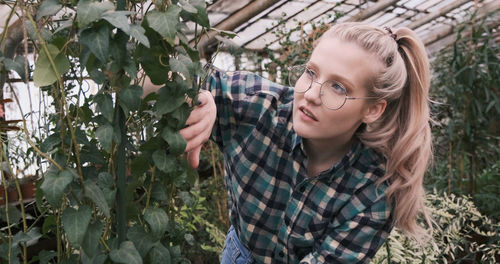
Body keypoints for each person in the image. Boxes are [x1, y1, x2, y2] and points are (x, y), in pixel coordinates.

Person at [178, 22, 433, 263]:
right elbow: (162, 73)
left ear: (373, 110)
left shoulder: (371, 192)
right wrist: (200, 98)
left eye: (338, 88)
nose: (310, 95)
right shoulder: (260, 108)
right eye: (311, 73)